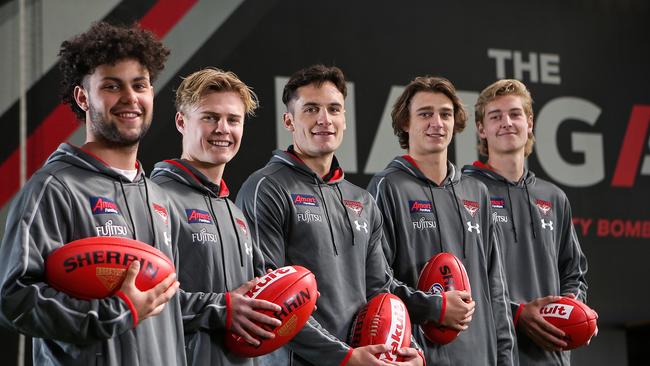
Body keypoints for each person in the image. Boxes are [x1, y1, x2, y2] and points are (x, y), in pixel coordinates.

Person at [0, 22, 184, 365]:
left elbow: (166, 304)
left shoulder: (160, 198)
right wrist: (115, 312)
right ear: (83, 97)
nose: (130, 97)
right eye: (112, 86)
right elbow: (14, 299)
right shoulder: (53, 187)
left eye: (139, 85)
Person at [236, 65, 429, 366]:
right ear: (289, 120)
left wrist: (412, 350)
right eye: (311, 109)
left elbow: (379, 289)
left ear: (344, 120)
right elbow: (271, 299)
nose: (324, 120)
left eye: (334, 109)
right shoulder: (266, 188)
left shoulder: (361, 199)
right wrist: (344, 358)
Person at [367, 76, 516, 366]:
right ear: (406, 123)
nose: (437, 123)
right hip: (417, 358)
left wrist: (505, 358)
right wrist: (434, 307)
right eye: (425, 114)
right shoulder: (388, 187)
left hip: (480, 357)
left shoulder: (476, 191)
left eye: (445, 114)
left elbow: (495, 289)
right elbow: (377, 284)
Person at [150, 67, 282, 365]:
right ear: (181, 122)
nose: (223, 129)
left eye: (233, 120)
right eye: (210, 117)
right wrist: (222, 307)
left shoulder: (234, 213)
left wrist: (288, 301)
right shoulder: (153, 198)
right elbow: (145, 300)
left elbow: (256, 297)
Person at [462, 79, 588, 365]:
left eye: (515, 114)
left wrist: (571, 311)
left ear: (529, 122)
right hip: (491, 354)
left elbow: (573, 272)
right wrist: (516, 313)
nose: (507, 122)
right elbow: (460, 281)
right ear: (482, 129)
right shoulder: (464, 191)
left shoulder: (553, 197)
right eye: (495, 116)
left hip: (551, 353)